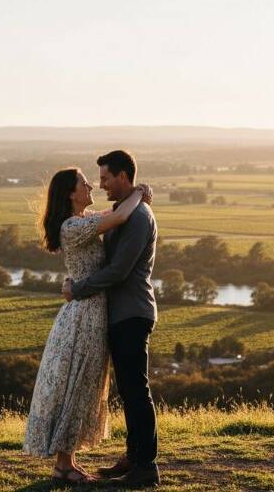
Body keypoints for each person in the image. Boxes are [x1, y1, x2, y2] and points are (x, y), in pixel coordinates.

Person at [23, 165, 152, 486]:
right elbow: (119, 217)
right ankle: (63, 465)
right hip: (83, 315)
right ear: (70, 192)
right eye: (84, 183)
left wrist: (138, 196)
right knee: (75, 383)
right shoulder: (72, 226)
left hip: (94, 312)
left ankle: (67, 463)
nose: (92, 186)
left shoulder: (81, 220)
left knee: (83, 385)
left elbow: (115, 212)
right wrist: (138, 193)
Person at [62, 149, 160, 488]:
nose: (101, 184)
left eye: (105, 178)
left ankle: (146, 466)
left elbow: (118, 271)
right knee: (129, 390)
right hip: (119, 315)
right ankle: (134, 457)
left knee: (136, 390)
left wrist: (79, 288)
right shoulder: (122, 210)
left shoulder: (138, 216)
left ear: (122, 176)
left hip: (133, 312)